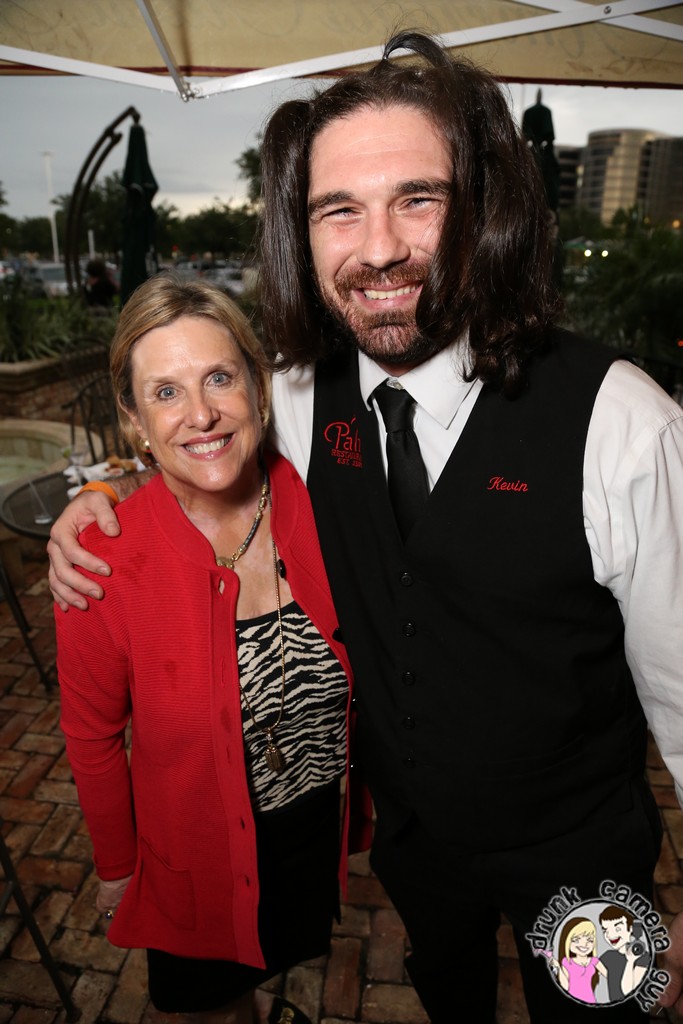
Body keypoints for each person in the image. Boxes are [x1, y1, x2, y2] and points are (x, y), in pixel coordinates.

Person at [48, 31, 683, 1024]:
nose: (377, 247)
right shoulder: (304, 393)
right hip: (416, 845)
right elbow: (203, 442)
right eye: (338, 209)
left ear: (483, 210)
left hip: (579, 858)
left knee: (604, 1014)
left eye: (417, 199)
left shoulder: (624, 423)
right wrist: (104, 495)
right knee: (448, 994)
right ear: (301, 234)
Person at [54, 274, 365, 1024]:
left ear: (257, 385)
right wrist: (117, 866)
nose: (200, 413)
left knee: (281, 963)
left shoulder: (322, 497)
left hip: (310, 832)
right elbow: (92, 738)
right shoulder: (101, 561)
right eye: (165, 392)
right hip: (196, 857)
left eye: (219, 378)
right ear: (134, 419)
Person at [600, 906, 651, 1001]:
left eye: (617, 929)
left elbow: (628, 992)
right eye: (605, 930)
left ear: (630, 929)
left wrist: (630, 961)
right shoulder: (608, 956)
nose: (610, 935)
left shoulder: (643, 957)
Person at [551, 917, 607, 1003]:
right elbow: (565, 987)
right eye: (576, 940)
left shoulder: (594, 961)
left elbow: (610, 976)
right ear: (567, 941)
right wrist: (558, 967)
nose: (584, 944)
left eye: (590, 940)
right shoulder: (567, 962)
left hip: (590, 1001)